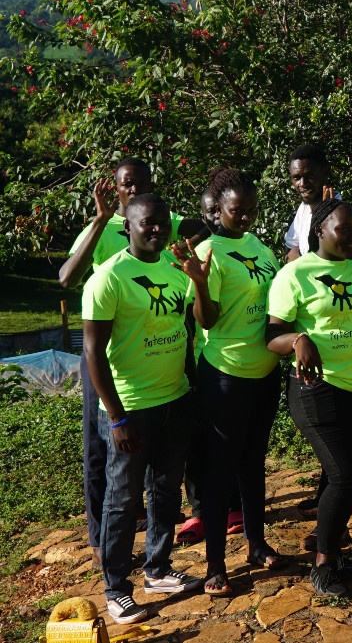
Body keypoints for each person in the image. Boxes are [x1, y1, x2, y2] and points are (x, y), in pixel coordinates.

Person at [59, 159, 195, 568]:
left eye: (141, 184)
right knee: (103, 446)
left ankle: (157, 545)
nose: (133, 190)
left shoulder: (163, 230)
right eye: (126, 185)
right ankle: (104, 539)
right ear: (116, 190)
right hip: (110, 355)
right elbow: (67, 278)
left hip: (158, 357)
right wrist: (101, 221)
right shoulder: (106, 235)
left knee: (161, 468)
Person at [83, 194, 202, 624]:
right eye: (147, 223)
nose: (157, 229)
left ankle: (158, 568)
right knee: (122, 499)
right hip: (132, 408)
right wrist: (116, 417)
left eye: (163, 223)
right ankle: (116, 589)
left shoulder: (175, 270)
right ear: (128, 227)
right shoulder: (108, 277)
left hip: (175, 398)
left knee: (167, 491)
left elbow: (191, 325)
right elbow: (93, 352)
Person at [186, 169, 290, 596]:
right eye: (236, 210)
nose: (245, 216)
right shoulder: (208, 251)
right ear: (218, 209)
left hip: (263, 373)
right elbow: (206, 320)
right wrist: (198, 282)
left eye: (250, 209)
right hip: (226, 376)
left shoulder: (259, 247)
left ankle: (256, 543)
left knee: (253, 464)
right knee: (221, 470)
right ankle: (214, 564)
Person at [266, 199, 352, 597]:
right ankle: (323, 566)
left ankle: (335, 549)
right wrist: (299, 338)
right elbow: (269, 337)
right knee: (346, 475)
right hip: (319, 389)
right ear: (320, 231)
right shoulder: (295, 274)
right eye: (344, 230)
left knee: (343, 476)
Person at [283, 144, 335, 262]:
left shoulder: (342, 209)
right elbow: (290, 251)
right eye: (296, 178)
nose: (302, 184)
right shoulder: (304, 208)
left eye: (310, 176)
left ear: (326, 172)